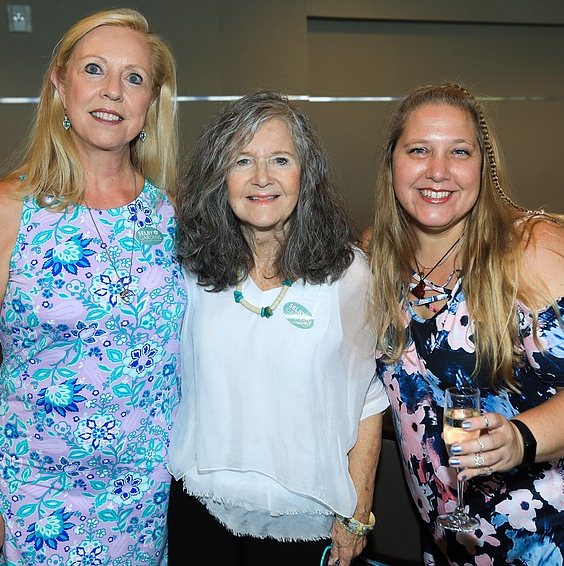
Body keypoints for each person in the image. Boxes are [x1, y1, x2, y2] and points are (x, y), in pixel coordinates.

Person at [368, 82, 564, 565]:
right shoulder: (377, 256)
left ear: (484, 167)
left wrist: (521, 437)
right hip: (456, 526)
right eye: (419, 150)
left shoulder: (533, 250)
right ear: (391, 162)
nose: (438, 170)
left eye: (460, 152)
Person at [0, 9, 183, 565]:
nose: (112, 91)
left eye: (133, 78)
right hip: (36, 503)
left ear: (151, 101)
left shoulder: (167, 214)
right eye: (94, 69)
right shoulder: (8, 209)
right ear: (60, 83)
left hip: (143, 501)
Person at [168, 90, 389, 565]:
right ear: (219, 177)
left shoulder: (348, 275)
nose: (262, 177)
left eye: (280, 159)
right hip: (201, 509)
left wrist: (358, 514)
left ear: (305, 175)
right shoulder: (191, 269)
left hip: (307, 521)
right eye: (242, 160)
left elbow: (369, 398)